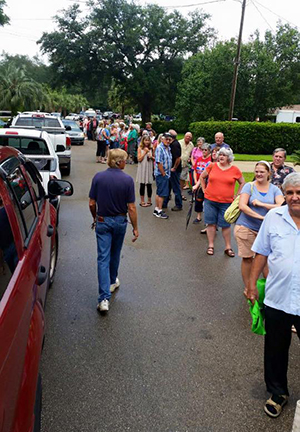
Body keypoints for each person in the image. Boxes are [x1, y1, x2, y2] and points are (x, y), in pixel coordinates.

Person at [247, 172, 300, 418]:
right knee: (276, 349)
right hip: (278, 298)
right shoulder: (273, 217)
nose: (294, 197)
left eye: (299, 193)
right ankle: (278, 393)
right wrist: (251, 285)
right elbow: (261, 253)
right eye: (290, 193)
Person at [89, 149, 139, 313]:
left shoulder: (98, 177)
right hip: (120, 221)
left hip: (103, 220)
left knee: (103, 257)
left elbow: (91, 203)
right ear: (119, 162)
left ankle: (103, 298)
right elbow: (131, 207)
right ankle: (112, 281)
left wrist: (95, 218)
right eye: (124, 160)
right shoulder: (127, 180)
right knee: (115, 253)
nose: (126, 162)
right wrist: (135, 227)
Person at [234, 161, 284, 295]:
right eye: (256, 171)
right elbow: (242, 206)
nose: (258, 174)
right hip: (246, 227)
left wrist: (262, 204)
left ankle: (269, 289)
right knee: (248, 258)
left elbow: (281, 205)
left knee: (265, 259)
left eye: (262, 172)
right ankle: (248, 287)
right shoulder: (249, 187)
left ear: (269, 173)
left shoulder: (274, 189)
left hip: (266, 231)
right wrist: (261, 217)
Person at [200, 147, 245, 256]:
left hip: (226, 202)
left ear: (229, 158)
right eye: (220, 155)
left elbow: (242, 182)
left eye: (224, 155)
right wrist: (204, 190)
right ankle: (211, 245)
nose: (221, 157)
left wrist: (237, 195)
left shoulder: (235, 170)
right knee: (210, 224)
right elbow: (202, 177)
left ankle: (228, 247)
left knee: (225, 225)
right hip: (210, 200)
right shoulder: (212, 166)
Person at [153, 133, 172, 219]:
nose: (168, 141)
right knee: (162, 193)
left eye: (169, 140)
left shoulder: (168, 148)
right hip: (161, 174)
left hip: (166, 173)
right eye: (166, 139)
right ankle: (159, 210)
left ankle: (157, 209)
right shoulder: (160, 148)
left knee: (159, 192)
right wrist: (163, 173)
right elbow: (158, 162)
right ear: (162, 139)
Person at [163, 129, 182, 211]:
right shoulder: (171, 144)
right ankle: (164, 203)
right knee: (168, 186)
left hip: (174, 170)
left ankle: (178, 204)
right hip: (171, 169)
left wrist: (174, 167)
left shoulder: (174, 145)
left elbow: (178, 158)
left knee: (175, 187)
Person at [192, 143, 211, 224]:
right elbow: (195, 170)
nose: (203, 151)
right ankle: (198, 216)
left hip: (207, 185)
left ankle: (208, 220)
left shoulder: (210, 161)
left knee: (207, 203)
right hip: (198, 184)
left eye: (205, 150)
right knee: (198, 201)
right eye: (202, 150)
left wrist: (199, 183)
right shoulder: (199, 159)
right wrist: (196, 181)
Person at [136, 135, 154, 207]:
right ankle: (142, 200)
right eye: (145, 140)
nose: (147, 142)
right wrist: (144, 153)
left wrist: (151, 157)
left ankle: (149, 200)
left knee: (149, 184)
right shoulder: (140, 148)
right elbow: (139, 159)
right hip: (142, 167)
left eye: (148, 140)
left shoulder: (151, 148)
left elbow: (154, 158)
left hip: (149, 167)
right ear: (143, 141)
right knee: (142, 184)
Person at [179, 132, 194, 197]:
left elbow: (192, 154)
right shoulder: (179, 142)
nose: (188, 137)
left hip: (185, 164)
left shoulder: (191, 145)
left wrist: (190, 158)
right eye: (187, 136)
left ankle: (180, 194)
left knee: (182, 179)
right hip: (178, 164)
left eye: (190, 137)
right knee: (176, 179)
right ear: (184, 136)